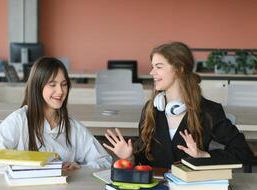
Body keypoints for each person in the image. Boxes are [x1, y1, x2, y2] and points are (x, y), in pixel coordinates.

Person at [103, 42, 253, 168]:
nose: (151, 72)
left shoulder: (209, 111)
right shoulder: (151, 109)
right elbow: (144, 160)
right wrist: (129, 158)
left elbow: (244, 153)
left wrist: (203, 155)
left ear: (179, 69)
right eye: (152, 66)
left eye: (159, 67)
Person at [0, 57, 112, 174]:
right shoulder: (19, 120)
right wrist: (38, 166)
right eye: (52, 85)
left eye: (64, 85)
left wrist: (81, 168)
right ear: (37, 87)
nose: (60, 91)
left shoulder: (72, 127)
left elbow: (104, 160)